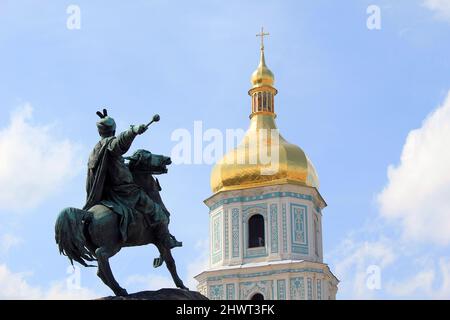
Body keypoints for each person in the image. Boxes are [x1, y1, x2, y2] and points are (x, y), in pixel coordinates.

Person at [83, 109, 176, 248]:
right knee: (158, 213)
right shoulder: (109, 144)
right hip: (126, 192)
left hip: (107, 193)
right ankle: (165, 241)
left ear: (99, 132)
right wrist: (133, 131)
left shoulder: (95, 150)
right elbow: (119, 143)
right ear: (113, 131)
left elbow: (114, 167)